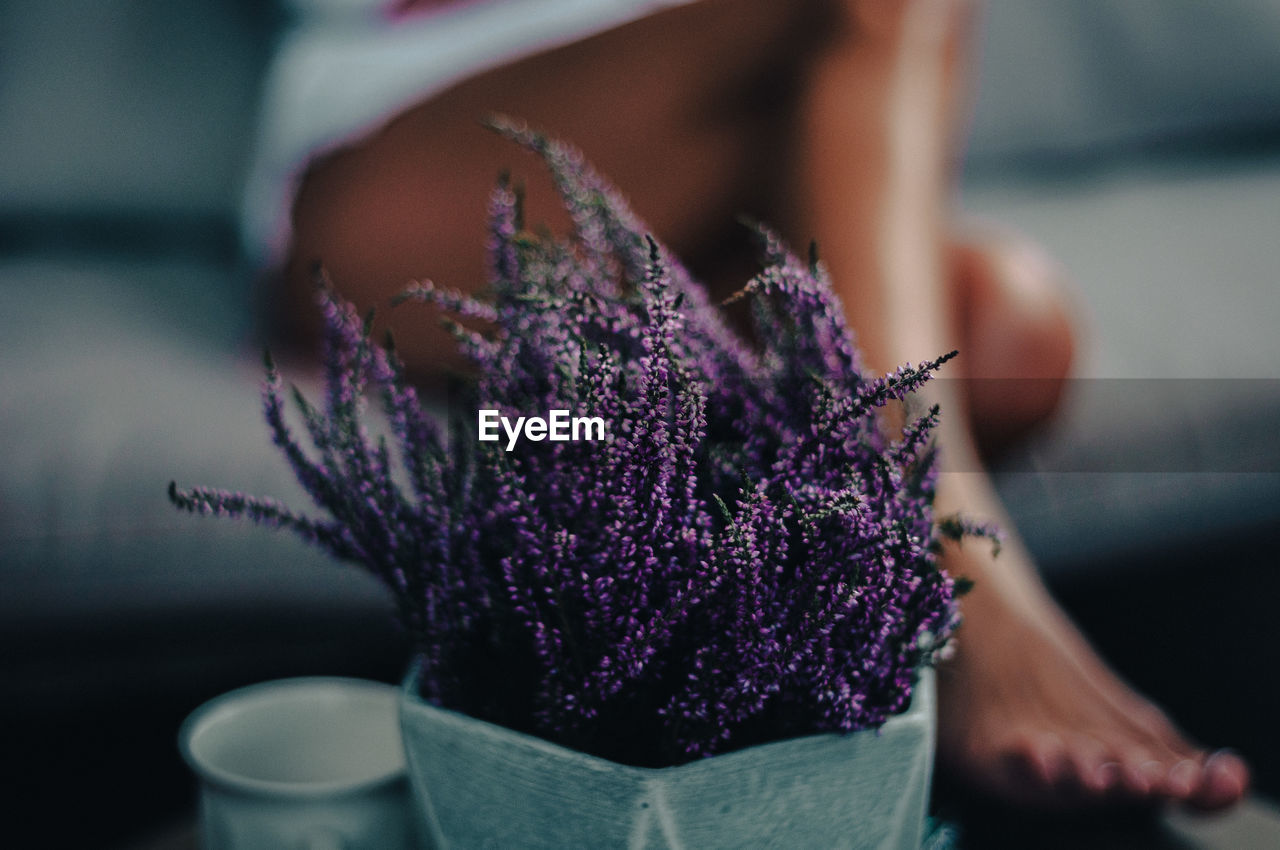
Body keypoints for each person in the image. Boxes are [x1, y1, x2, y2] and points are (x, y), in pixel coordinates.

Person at [268, 0, 1249, 810]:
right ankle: (953, 573)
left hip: (697, 175)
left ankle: (582, 434)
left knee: (1007, 334)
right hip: (403, 142)